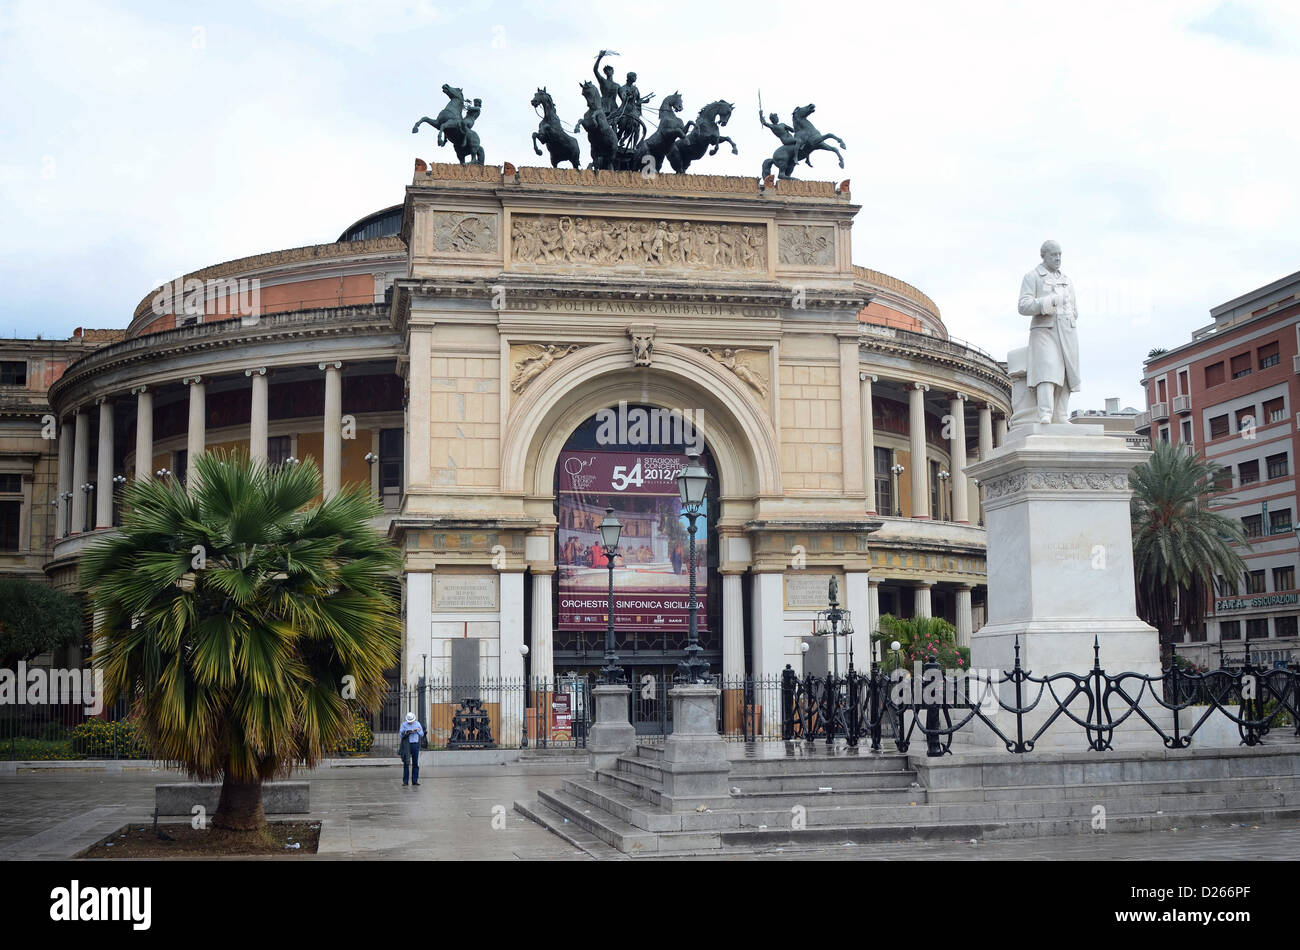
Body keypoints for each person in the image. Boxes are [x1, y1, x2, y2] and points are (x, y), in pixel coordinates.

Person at [1017, 240, 1080, 423]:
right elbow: (1023, 305)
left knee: (1068, 372)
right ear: (1043, 255)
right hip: (1045, 329)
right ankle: (1045, 412)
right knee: (1047, 370)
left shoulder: (1067, 280)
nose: (1058, 258)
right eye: (1054, 254)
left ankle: (1061, 414)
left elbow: (1074, 308)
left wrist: (1070, 315)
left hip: (1067, 330)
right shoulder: (1033, 276)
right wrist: (1047, 302)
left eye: (1060, 254)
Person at [399, 711, 425, 786]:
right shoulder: (404, 724)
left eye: (412, 721)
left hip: (415, 744)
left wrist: (417, 730)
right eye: (409, 721)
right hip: (407, 745)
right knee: (406, 763)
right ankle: (405, 781)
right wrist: (407, 732)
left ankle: (415, 780)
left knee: (415, 763)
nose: (411, 722)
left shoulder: (417, 724)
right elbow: (400, 734)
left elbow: (422, 734)